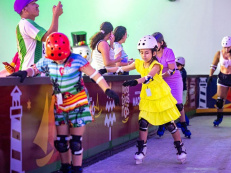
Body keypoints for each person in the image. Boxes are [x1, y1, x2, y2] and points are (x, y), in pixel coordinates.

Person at [10, 32, 120, 173]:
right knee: (61, 142)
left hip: (78, 103)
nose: (59, 62)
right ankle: (65, 167)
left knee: (75, 141)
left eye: (61, 58)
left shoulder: (77, 59)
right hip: (60, 104)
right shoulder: (47, 61)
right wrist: (26, 72)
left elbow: (95, 75)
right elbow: (35, 69)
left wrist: (107, 90)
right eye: (56, 59)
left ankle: (77, 169)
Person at [99, 35, 187, 164]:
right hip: (147, 97)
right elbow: (121, 68)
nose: (144, 55)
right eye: (141, 52)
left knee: (169, 124)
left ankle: (180, 149)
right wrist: (104, 70)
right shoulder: (139, 63)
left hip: (160, 97)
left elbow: (148, 77)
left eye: (146, 52)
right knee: (143, 122)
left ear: (154, 52)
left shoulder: (156, 65)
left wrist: (135, 81)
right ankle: (141, 150)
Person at [152, 32, 191, 138]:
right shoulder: (153, 54)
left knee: (178, 105)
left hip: (174, 79)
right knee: (162, 103)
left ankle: (184, 127)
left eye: (156, 43)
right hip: (162, 79)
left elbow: (172, 70)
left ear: (161, 43)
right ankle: (162, 126)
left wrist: (160, 76)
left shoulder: (168, 52)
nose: (154, 46)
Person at [14, 0, 63, 70]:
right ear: (24, 9)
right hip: (31, 75)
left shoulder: (24, 24)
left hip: (31, 73)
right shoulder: (25, 23)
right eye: (33, 3)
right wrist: (56, 15)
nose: (37, 5)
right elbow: (49, 37)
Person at [176, 57, 190, 126]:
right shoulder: (177, 71)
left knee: (180, 107)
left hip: (182, 91)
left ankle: (185, 121)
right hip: (178, 91)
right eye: (175, 65)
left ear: (182, 66)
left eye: (178, 65)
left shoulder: (182, 72)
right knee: (178, 107)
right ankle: (184, 121)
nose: (176, 66)